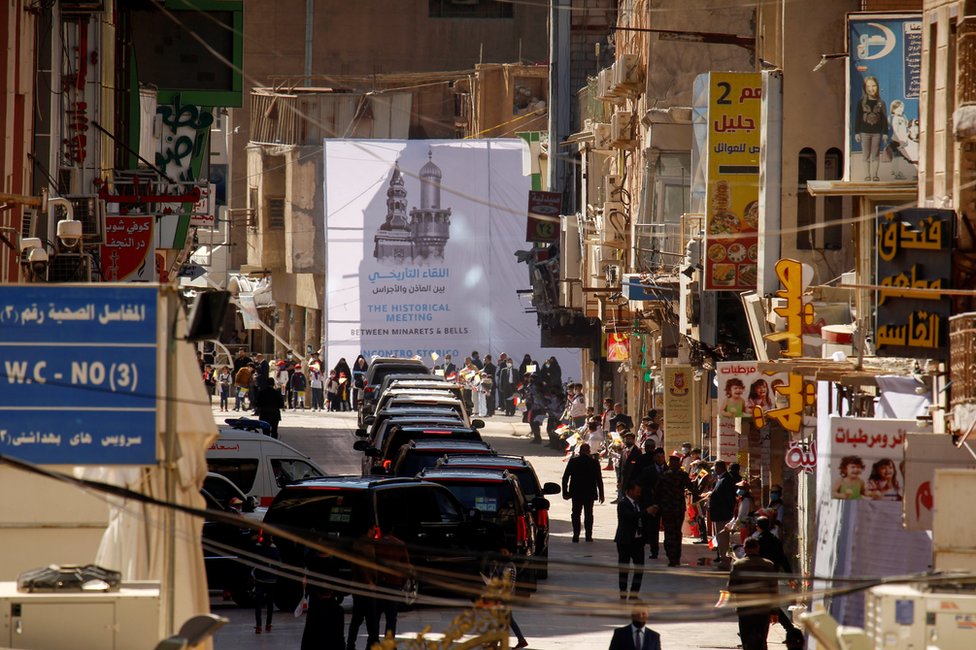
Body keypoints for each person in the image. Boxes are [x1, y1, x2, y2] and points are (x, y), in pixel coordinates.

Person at [727, 537, 779, 650]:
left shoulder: (738, 565)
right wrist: (775, 611)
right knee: (762, 640)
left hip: (745, 609)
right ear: (758, 548)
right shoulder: (769, 565)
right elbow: (774, 589)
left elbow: (732, 588)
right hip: (763, 609)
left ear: (745, 548)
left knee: (747, 639)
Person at [651, 454, 699, 567]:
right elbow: (692, 488)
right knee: (677, 532)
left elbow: (656, 492)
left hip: (667, 508)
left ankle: (672, 557)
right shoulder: (683, 475)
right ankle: (675, 557)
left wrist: (656, 505)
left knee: (669, 533)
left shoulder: (664, 476)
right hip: (677, 508)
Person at [484, 530, 529, 649]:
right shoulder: (499, 564)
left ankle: (499, 642)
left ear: (510, 553)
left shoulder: (510, 566)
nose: (503, 554)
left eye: (505, 552)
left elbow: (510, 584)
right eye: (501, 552)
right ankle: (520, 640)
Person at [301, 549, 347, 650]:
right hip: (329, 602)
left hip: (316, 601)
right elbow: (340, 637)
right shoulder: (338, 611)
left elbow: (307, 639)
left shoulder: (312, 562)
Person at [373, 526, 412, 641]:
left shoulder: (375, 543)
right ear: (392, 529)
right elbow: (406, 567)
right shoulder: (399, 544)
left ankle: (374, 641)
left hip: (379, 584)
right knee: (391, 618)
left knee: (376, 617)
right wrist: (402, 583)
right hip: (394, 584)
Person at [562, 443, 605, 542]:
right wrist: (601, 494)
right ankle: (588, 536)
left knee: (576, 513)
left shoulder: (573, 461)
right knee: (588, 514)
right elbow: (599, 480)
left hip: (576, 492)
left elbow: (565, 477)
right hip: (589, 492)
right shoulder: (594, 462)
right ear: (589, 452)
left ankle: (576, 534)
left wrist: (565, 492)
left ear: (580, 451)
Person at [615, 482, 651, 600]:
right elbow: (630, 516)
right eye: (637, 491)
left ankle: (634, 592)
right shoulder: (623, 504)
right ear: (630, 491)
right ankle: (623, 591)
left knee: (639, 568)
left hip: (638, 541)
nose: (639, 493)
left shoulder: (639, 504)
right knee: (624, 568)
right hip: (625, 541)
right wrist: (646, 512)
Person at [347, 527, 379, 650]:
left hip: (359, 587)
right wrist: (369, 581)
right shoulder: (364, 545)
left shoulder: (360, 543)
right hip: (365, 588)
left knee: (357, 618)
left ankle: (351, 644)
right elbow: (362, 565)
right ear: (368, 530)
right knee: (370, 620)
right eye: (373, 530)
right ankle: (371, 644)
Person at [854, 75, 888, 181]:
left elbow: (884, 119)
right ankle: (867, 175)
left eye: (874, 86)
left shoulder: (881, 103)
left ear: (877, 87)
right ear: (864, 88)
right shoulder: (861, 103)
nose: (871, 88)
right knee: (866, 155)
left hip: (877, 133)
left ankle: (875, 175)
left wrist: (885, 133)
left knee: (875, 154)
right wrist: (856, 132)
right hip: (864, 132)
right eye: (868, 86)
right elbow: (858, 118)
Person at [707, 460, 737, 570]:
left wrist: (730, 514)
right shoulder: (721, 479)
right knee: (720, 538)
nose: (714, 470)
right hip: (718, 514)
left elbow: (729, 499)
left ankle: (725, 561)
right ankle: (723, 558)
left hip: (723, 515)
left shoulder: (726, 480)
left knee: (723, 539)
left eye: (715, 467)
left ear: (719, 468)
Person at [252, 535, 281, 634]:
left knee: (258, 604)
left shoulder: (257, 547)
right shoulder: (274, 549)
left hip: (259, 579)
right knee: (270, 603)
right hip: (272, 580)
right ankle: (268, 625)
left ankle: (258, 626)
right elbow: (278, 563)